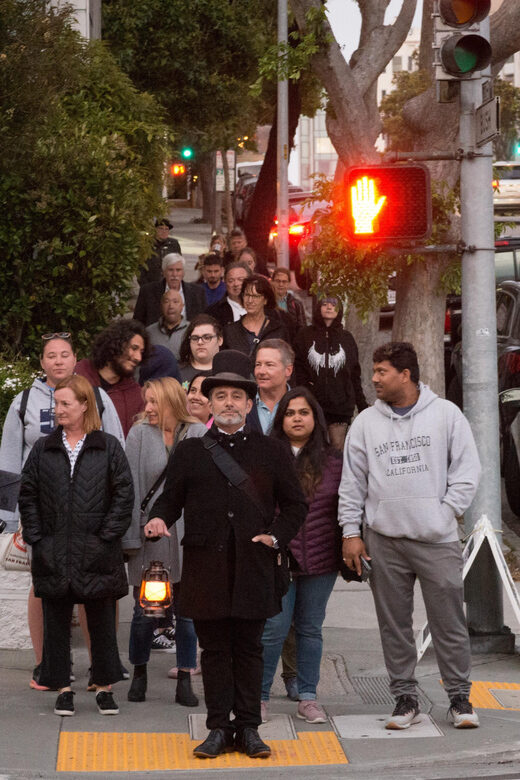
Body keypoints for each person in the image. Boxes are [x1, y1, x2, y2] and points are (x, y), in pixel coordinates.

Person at [144, 350, 307, 759]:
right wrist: (158, 519)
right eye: (221, 396)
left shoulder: (272, 452)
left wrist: (275, 537)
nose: (229, 402)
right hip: (206, 567)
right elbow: (170, 501)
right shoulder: (191, 451)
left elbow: (295, 506)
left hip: (254, 567)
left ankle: (249, 728)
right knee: (214, 651)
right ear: (210, 403)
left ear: (249, 404)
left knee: (250, 649)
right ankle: (218, 728)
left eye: (237, 396)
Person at [338, 342, 481, 730]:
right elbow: (352, 482)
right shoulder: (366, 422)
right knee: (394, 624)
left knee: (448, 622)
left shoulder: (446, 415)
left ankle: (459, 699)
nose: (374, 379)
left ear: (406, 374)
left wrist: (445, 511)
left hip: (437, 540)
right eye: (374, 371)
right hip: (384, 540)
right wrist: (351, 532)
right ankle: (405, 699)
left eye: (382, 371)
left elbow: (468, 471)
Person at [0, 333, 124, 690]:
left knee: (95, 590)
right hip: (41, 512)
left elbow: (118, 454)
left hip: (93, 513)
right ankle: (47, 667)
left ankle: (102, 669)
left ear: (75, 360)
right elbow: (9, 459)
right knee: (44, 589)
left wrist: (116, 524)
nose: (57, 361)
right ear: (41, 363)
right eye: (50, 356)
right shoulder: (22, 401)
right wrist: (13, 520)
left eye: (64, 355)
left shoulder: (97, 397)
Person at [19, 375, 134, 718]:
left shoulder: (108, 446)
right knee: (55, 623)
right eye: (56, 404)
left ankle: (103, 688)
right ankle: (63, 689)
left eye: (66, 403)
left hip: (98, 551)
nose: (59, 410)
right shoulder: (43, 447)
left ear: (85, 405)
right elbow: (28, 495)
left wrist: (105, 538)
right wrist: (38, 539)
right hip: (53, 551)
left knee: (100, 622)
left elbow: (124, 496)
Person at [123, 378, 206, 706]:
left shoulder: (198, 434)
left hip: (189, 539)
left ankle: (185, 676)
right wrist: (131, 537)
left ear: (173, 400)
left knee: (187, 615)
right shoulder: (140, 435)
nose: (148, 408)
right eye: (147, 401)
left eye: (155, 402)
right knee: (148, 611)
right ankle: (139, 671)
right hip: (152, 540)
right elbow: (129, 488)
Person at [261, 387, 342, 724]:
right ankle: (259, 697)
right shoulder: (266, 456)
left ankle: (308, 697)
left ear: (315, 418)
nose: (296, 418)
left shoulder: (335, 461)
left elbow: (344, 506)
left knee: (310, 629)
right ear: (282, 419)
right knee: (274, 629)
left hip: (322, 561)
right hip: (278, 558)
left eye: (303, 412)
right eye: (290, 413)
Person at [293, 296, 367, 451]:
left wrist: (362, 406)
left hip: (340, 408)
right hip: (311, 405)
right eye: (324, 304)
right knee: (311, 452)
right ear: (318, 307)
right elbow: (297, 369)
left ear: (339, 309)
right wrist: (303, 393)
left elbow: (354, 374)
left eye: (334, 305)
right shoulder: (304, 335)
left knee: (336, 454)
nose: (329, 307)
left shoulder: (347, 338)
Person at [75, 320, 149, 437]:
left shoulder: (136, 395)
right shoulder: (78, 374)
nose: (138, 357)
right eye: (134, 348)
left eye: (141, 352)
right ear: (116, 343)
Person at [223, 274, 289, 357]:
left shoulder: (278, 331)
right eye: (247, 295)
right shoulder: (230, 331)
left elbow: (287, 362)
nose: (250, 300)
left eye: (255, 296)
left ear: (265, 300)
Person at [133, 253, 206, 327]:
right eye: (170, 270)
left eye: (178, 270)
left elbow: (203, 321)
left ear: (183, 273)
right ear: (164, 272)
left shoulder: (197, 292)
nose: (174, 274)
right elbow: (137, 322)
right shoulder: (148, 291)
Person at [247, 339, 294, 435]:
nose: (261, 371)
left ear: (288, 370)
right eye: (258, 364)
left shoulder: (303, 405)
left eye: (269, 365)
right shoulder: (243, 403)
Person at [178, 314, 223, 388]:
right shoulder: (177, 372)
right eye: (195, 338)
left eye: (207, 337)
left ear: (220, 340)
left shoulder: (230, 372)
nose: (200, 342)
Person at [205, 261, 250, 328]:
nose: (236, 284)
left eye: (240, 280)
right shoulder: (214, 312)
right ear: (225, 282)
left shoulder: (260, 307)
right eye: (231, 281)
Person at [146, 289, 188, 360]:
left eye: (175, 302)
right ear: (161, 306)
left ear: (182, 306)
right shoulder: (149, 332)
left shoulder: (192, 330)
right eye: (166, 302)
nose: (171, 306)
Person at [139, 218, 182, 287]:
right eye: (161, 228)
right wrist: (144, 285)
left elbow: (179, 264)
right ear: (155, 230)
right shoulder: (147, 244)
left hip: (169, 284)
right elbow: (140, 267)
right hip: (151, 283)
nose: (164, 231)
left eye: (166, 229)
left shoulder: (173, 244)